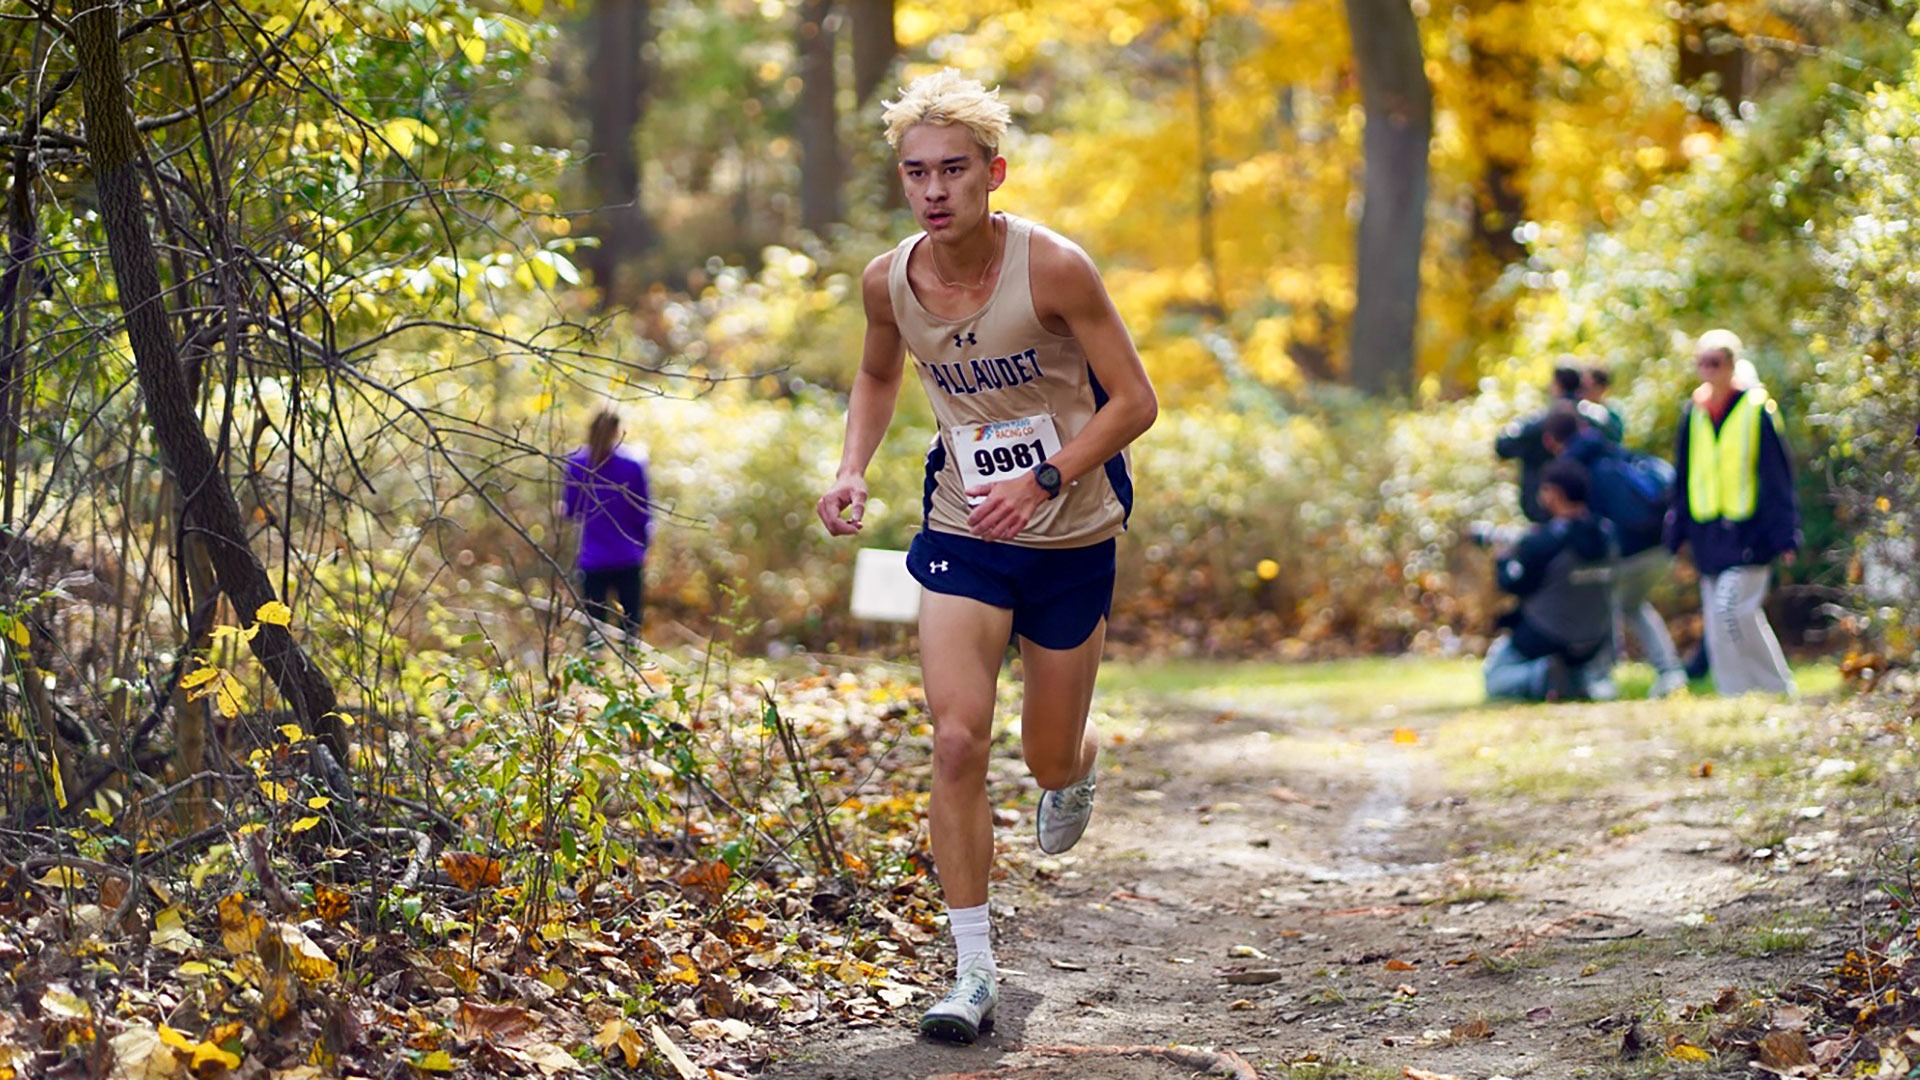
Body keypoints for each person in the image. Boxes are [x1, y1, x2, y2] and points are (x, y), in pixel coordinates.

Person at [814, 69, 1157, 1044]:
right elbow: (879, 373)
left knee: (1043, 754)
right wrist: (851, 468)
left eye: (954, 170)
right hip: (964, 530)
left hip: (1072, 531)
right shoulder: (890, 279)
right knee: (959, 739)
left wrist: (1045, 479)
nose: (933, 190)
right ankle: (971, 970)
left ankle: (1077, 760)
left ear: (993, 172)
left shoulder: (1053, 267)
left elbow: (1135, 403)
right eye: (915, 172)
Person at [1665, 330, 1798, 696]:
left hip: (1750, 531)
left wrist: (1785, 532)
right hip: (1707, 533)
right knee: (1718, 616)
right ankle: (1733, 693)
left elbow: (1777, 476)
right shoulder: (1694, 412)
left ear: (1731, 365)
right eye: (1701, 363)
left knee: (1733, 611)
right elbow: (1683, 474)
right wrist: (1675, 530)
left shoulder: (1757, 410)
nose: (1708, 370)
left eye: (1715, 363)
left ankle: (1775, 686)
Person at [1541, 411, 1687, 698]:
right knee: (1632, 605)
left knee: (1602, 606)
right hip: (1660, 544)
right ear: (1582, 427)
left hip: (1626, 551)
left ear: (1549, 441)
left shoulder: (1573, 468)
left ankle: (1600, 676)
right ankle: (1670, 672)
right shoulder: (1612, 449)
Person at [1483, 459, 1617, 702]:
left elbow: (1514, 584)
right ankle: (1581, 680)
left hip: (1545, 636)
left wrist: (1503, 560)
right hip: (1593, 639)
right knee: (1574, 671)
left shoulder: (1546, 541)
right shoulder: (1606, 533)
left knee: (1494, 679)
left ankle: (1541, 674)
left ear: (1554, 494)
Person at [562, 410, 651, 647]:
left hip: (594, 559)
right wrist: (644, 547)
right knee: (630, 628)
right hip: (627, 555)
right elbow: (642, 513)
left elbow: (571, 511)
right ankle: (630, 677)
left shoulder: (576, 464)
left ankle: (594, 677)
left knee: (594, 630)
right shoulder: (631, 465)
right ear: (616, 432)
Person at [1495, 362, 1616, 522]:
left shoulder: (1540, 422)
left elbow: (1503, 445)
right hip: (1595, 511)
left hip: (1548, 513)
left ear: (1556, 385)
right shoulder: (1600, 419)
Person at [1580, 366, 1626, 442]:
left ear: (1602, 388)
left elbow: (1615, 438)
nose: (1583, 391)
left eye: (1587, 386)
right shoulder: (1575, 409)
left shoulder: (1612, 414)